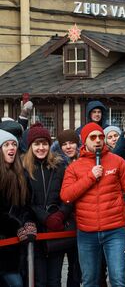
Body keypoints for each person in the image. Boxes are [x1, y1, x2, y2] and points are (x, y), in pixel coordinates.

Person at [60, 122, 125, 287]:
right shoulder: (74, 167)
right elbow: (66, 196)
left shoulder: (117, 162)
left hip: (115, 231)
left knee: (119, 279)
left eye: (101, 136)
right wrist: (90, 177)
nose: (98, 140)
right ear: (85, 141)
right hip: (86, 232)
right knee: (89, 281)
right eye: (93, 137)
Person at [23, 123, 70, 287]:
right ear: (31, 146)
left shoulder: (59, 166)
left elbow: (68, 196)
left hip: (56, 228)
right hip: (36, 231)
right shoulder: (24, 169)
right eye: (37, 144)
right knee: (39, 280)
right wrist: (44, 217)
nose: (41, 148)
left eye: (44, 144)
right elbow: (26, 201)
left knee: (55, 279)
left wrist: (61, 214)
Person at [0, 129, 36, 287]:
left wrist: (28, 222)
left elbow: (26, 206)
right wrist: (16, 226)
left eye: (14, 144)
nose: (11, 148)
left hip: (16, 247)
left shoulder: (22, 175)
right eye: (6, 145)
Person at [51, 129, 82, 287]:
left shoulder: (85, 161)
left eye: (71, 143)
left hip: (82, 220)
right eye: (64, 144)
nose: (68, 147)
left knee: (76, 268)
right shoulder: (56, 165)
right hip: (64, 219)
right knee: (56, 270)